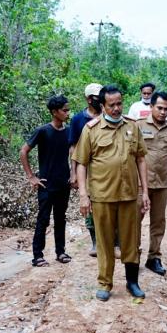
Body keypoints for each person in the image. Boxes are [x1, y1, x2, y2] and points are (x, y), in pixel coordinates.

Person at [73, 85, 150, 301]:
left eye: (119, 104)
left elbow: (141, 159)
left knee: (131, 241)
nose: (116, 108)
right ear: (103, 106)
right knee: (105, 243)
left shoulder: (132, 127)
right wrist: (83, 195)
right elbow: (81, 164)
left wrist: (145, 192)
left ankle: (132, 282)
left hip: (128, 195)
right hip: (102, 196)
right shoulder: (91, 129)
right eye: (111, 105)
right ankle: (105, 284)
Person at [20, 95, 73, 267]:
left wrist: (73, 175)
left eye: (68, 109)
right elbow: (24, 151)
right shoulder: (43, 131)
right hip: (46, 184)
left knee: (60, 218)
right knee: (43, 218)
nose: (67, 113)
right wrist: (31, 177)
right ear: (54, 112)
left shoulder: (69, 131)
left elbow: (74, 153)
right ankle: (37, 255)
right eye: (64, 110)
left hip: (63, 183)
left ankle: (61, 251)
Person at [139, 91, 167, 276]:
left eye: (166, 109)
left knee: (158, 222)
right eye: (159, 108)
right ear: (151, 107)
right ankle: (133, 256)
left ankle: (154, 257)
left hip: (162, 183)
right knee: (135, 220)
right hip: (140, 185)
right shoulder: (138, 126)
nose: (163, 112)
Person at [70, 82, 103, 257]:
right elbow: (73, 147)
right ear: (89, 99)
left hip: (104, 168)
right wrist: (73, 172)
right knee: (88, 205)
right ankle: (95, 242)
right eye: (98, 98)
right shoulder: (78, 119)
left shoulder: (108, 115)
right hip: (86, 168)